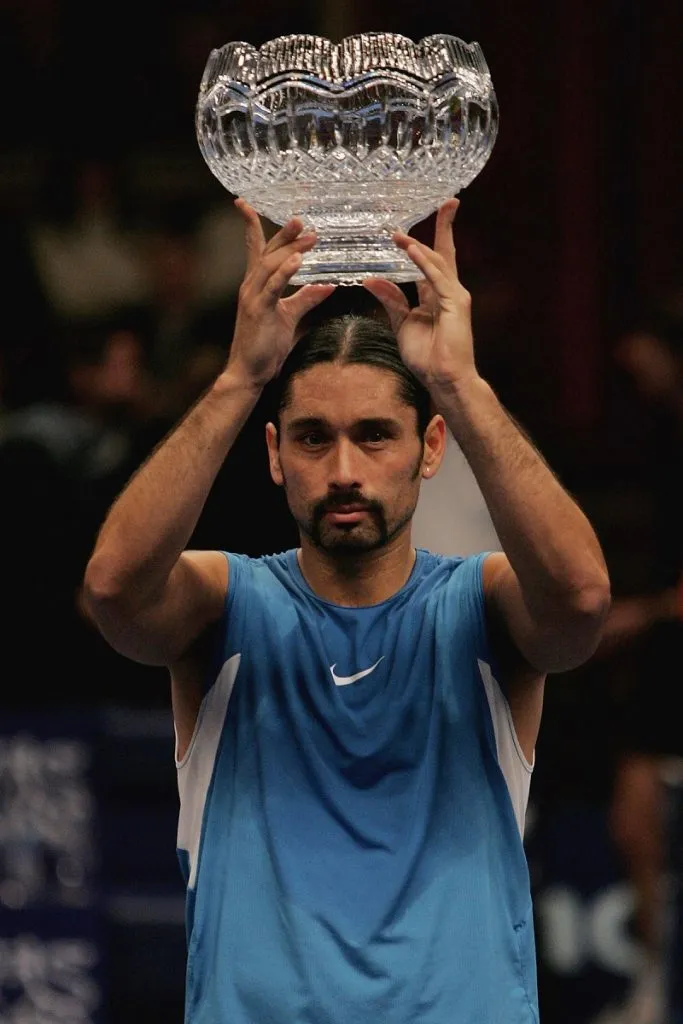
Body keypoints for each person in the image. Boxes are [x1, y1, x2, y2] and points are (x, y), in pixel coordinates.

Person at [81, 198, 611, 1024]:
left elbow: (580, 601)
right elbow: (113, 591)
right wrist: (239, 379)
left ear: (429, 448)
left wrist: (459, 384)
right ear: (273, 454)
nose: (342, 471)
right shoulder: (224, 603)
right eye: (311, 437)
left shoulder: (483, 604)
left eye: (374, 435)